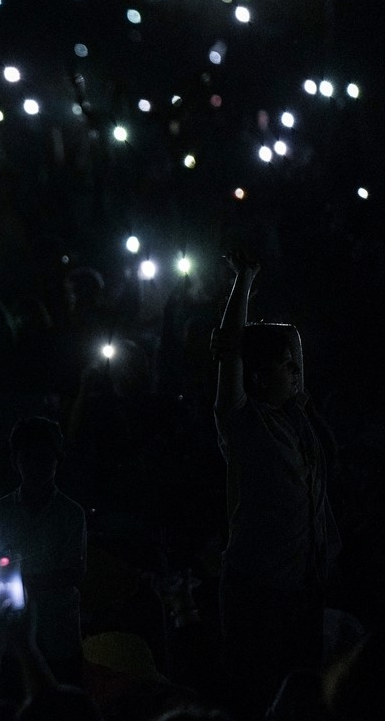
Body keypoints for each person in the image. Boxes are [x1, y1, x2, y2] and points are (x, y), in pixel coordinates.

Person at [211, 252, 340, 717]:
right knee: (257, 696)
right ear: (262, 375)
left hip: (304, 587)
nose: (297, 371)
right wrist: (243, 282)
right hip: (258, 591)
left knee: (302, 697)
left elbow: (293, 341)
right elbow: (230, 354)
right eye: (287, 366)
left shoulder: (296, 418)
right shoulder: (245, 424)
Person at [0, 417, 87, 686]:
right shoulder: (1, 511)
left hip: (58, 634)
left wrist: (17, 581)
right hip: (14, 633)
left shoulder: (71, 513)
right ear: (16, 461)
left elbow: (73, 573)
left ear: (56, 459)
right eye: (28, 457)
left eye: (44, 457)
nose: (36, 465)